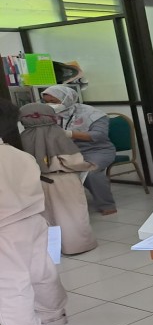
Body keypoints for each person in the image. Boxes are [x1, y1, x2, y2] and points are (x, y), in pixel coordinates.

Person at [0, 99, 68, 325]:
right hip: (33, 221)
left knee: (10, 283)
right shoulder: (20, 155)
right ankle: (53, 316)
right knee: (42, 271)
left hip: (4, 229)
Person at [19, 103, 98, 255]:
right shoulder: (58, 134)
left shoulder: (22, 137)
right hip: (63, 179)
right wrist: (89, 165)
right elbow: (73, 161)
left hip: (37, 181)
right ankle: (77, 246)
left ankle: (53, 250)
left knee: (47, 216)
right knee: (72, 214)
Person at [41, 85, 117, 215]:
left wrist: (70, 134)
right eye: (46, 102)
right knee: (49, 171)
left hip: (96, 150)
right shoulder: (48, 114)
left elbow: (99, 135)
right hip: (67, 151)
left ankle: (107, 205)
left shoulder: (93, 114)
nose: (50, 105)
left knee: (91, 172)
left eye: (53, 101)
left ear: (66, 99)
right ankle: (64, 206)